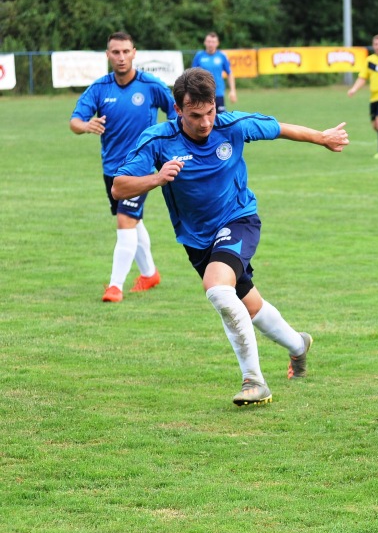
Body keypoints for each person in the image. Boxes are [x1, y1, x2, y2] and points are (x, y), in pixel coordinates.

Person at [112, 68, 349, 406]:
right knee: (250, 305)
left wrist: (322, 138)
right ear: (177, 110)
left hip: (239, 219)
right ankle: (299, 345)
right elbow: (119, 187)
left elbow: (280, 128)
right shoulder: (158, 140)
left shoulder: (232, 126)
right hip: (197, 240)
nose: (205, 122)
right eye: (195, 115)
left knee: (217, 288)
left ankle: (254, 381)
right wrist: (157, 179)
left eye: (210, 112)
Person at [70, 31, 177, 303]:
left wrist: (166, 141)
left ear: (134, 53)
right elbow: (75, 121)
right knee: (133, 220)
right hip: (112, 169)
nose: (121, 57)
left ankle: (115, 287)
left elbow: (175, 112)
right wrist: (86, 126)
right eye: (115, 52)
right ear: (108, 55)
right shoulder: (100, 88)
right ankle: (150, 274)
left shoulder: (151, 85)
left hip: (141, 167)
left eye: (125, 51)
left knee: (125, 219)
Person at [191, 32, 236, 114]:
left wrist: (232, 90)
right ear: (205, 42)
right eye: (208, 41)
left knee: (220, 118)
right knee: (204, 117)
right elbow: (192, 75)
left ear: (217, 43)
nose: (211, 44)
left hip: (218, 93)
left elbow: (229, 73)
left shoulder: (222, 56)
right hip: (203, 93)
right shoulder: (199, 56)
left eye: (213, 42)